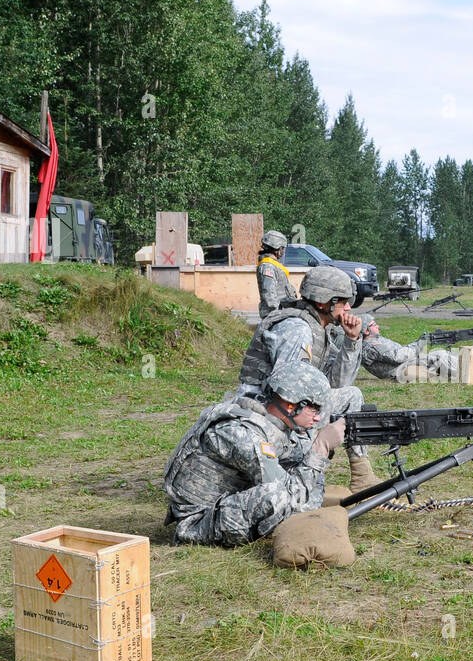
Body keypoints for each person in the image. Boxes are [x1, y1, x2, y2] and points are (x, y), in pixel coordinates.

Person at [163, 364, 346, 546]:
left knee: (305, 471)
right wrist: (321, 446)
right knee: (278, 496)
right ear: (292, 406)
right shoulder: (241, 434)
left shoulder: (267, 417)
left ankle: (301, 521)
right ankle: (299, 526)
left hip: (225, 503)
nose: (317, 418)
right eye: (314, 410)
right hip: (199, 521)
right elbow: (290, 493)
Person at [236, 266, 380, 492]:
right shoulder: (297, 329)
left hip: (282, 406)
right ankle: (298, 474)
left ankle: (362, 475)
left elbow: (336, 384)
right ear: (324, 303)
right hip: (264, 413)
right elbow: (287, 391)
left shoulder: (318, 327)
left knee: (351, 395)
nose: (348, 308)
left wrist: (352, 341)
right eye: (342, 301)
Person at [256, 229, 297, 318]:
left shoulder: (272, 264)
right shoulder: (268, 266)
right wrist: (276, 315)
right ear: (277, 248)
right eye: (283, 248)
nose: (283, 251)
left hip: (281, 312)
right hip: (275, 314)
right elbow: (269, 295)